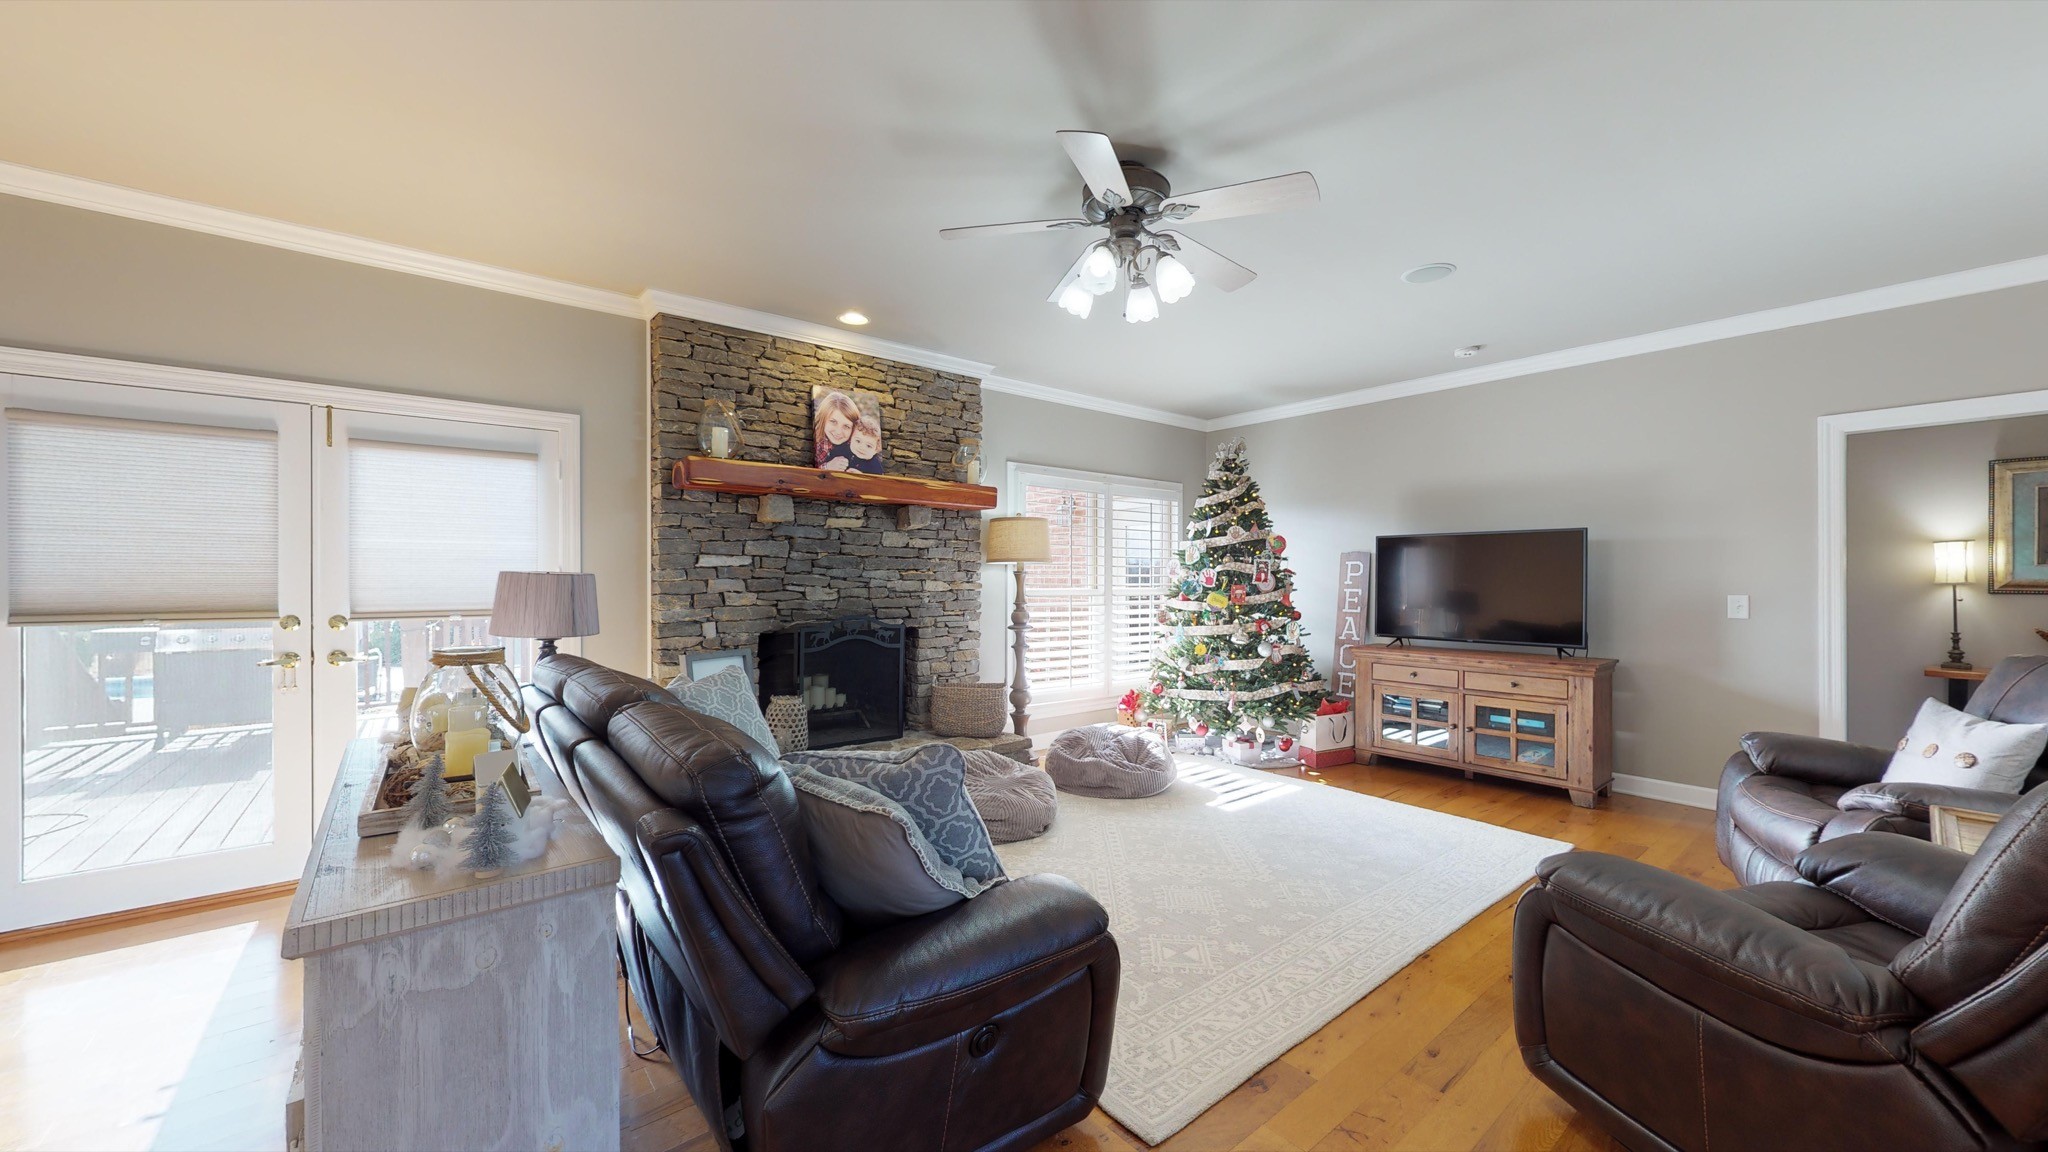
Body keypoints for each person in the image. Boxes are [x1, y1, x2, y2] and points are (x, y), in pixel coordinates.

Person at [813, 389, 860, 468]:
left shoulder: (856, 443)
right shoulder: (818, 444)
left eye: (846, 426)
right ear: (823, 419)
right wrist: (828, 467)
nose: (838, 432)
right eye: (833, 422)